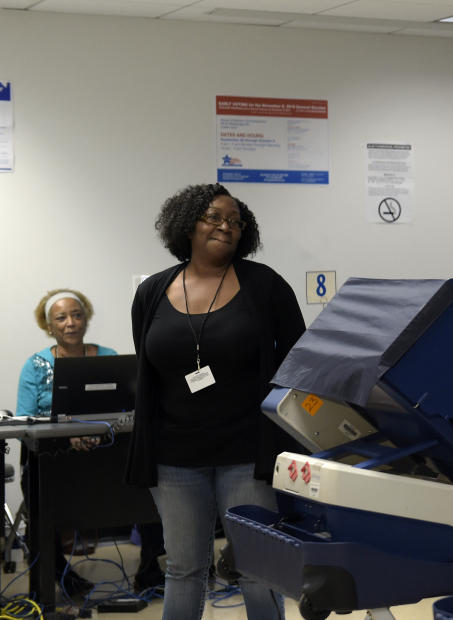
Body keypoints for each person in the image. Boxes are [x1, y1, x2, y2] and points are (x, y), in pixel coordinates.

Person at [126, 183, 305, 620]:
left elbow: (298, 360)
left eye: (235, 221)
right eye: (214, 217)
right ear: (187, 225)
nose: (226, 227)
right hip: (173, 456)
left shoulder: (265, 285)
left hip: (247, 452)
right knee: (185, 569)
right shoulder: (152, 292)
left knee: (257, 570)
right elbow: (148, 370)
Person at [16, 289, 111, 596]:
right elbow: (25, 418)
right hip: (53, 456)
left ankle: (151, 569)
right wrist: (68, 434)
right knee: (40, 501)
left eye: (77, 315)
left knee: (152, 478)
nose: (71, 323)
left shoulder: (108, 356)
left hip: (106, 450)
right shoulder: (35, 365)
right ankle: (57, 574)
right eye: (61, 318)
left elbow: (126, 404)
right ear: (50, 326)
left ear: (87, 319)